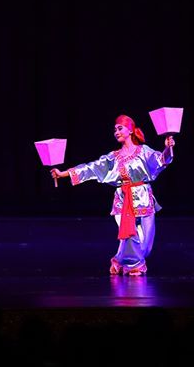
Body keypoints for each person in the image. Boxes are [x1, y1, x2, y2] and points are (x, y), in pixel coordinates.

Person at [51, 114, 175, 275]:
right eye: (115, 129)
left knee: (146, 240)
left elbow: (162, 160)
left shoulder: (143, 151)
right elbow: (91, 167)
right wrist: (64, 174)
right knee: (129, 235)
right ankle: (135, 264)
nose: (116, 132)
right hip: (123, 198)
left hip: (143, 196)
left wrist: (168, 147)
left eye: (120, 128)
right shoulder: (113, 157)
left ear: (130, 130)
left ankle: (119, 260)